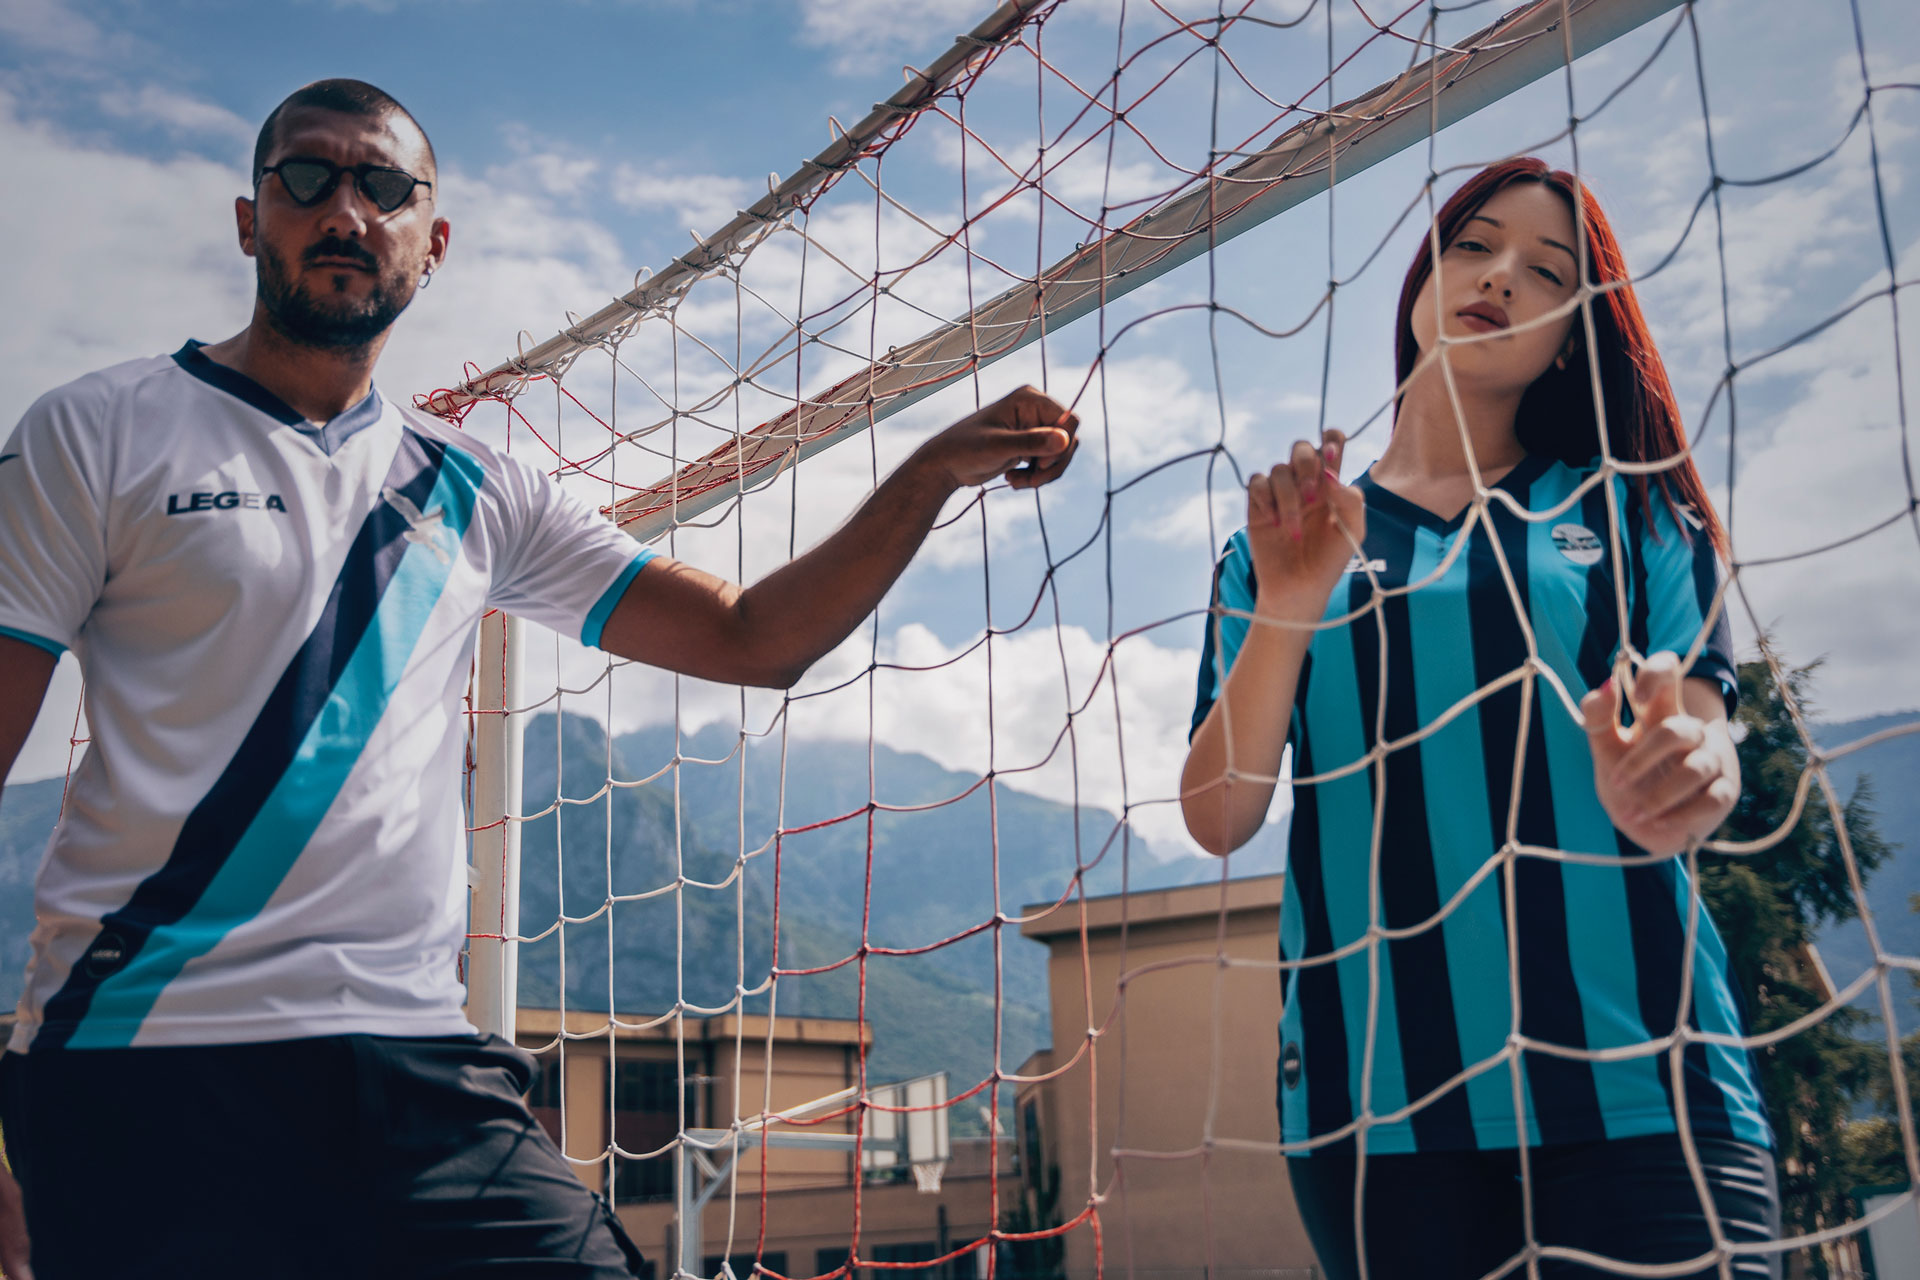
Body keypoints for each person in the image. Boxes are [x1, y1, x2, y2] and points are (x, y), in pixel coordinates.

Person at [0, 79, 1079, 1280]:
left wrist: (927, 472)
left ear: (431, 239)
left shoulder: (477, 486)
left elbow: (752, 639)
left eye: (383, 186)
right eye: (306, 178)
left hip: (415, 1071)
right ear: (251, 218)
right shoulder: (94, 433)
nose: (343, 210)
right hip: (147, 1068)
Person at [1179, 158, 1780, 1279]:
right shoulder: (1279, 541)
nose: (1500, 276)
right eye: (1475, 245)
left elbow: (1700, 723)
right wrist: (1292, 602)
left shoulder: (1629, 501)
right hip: (1380, 1123)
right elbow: (1219, 814)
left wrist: (1678, 760)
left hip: (1646, 1088)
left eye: (1547, 272)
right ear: (1421, 279)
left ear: (1572, 335)